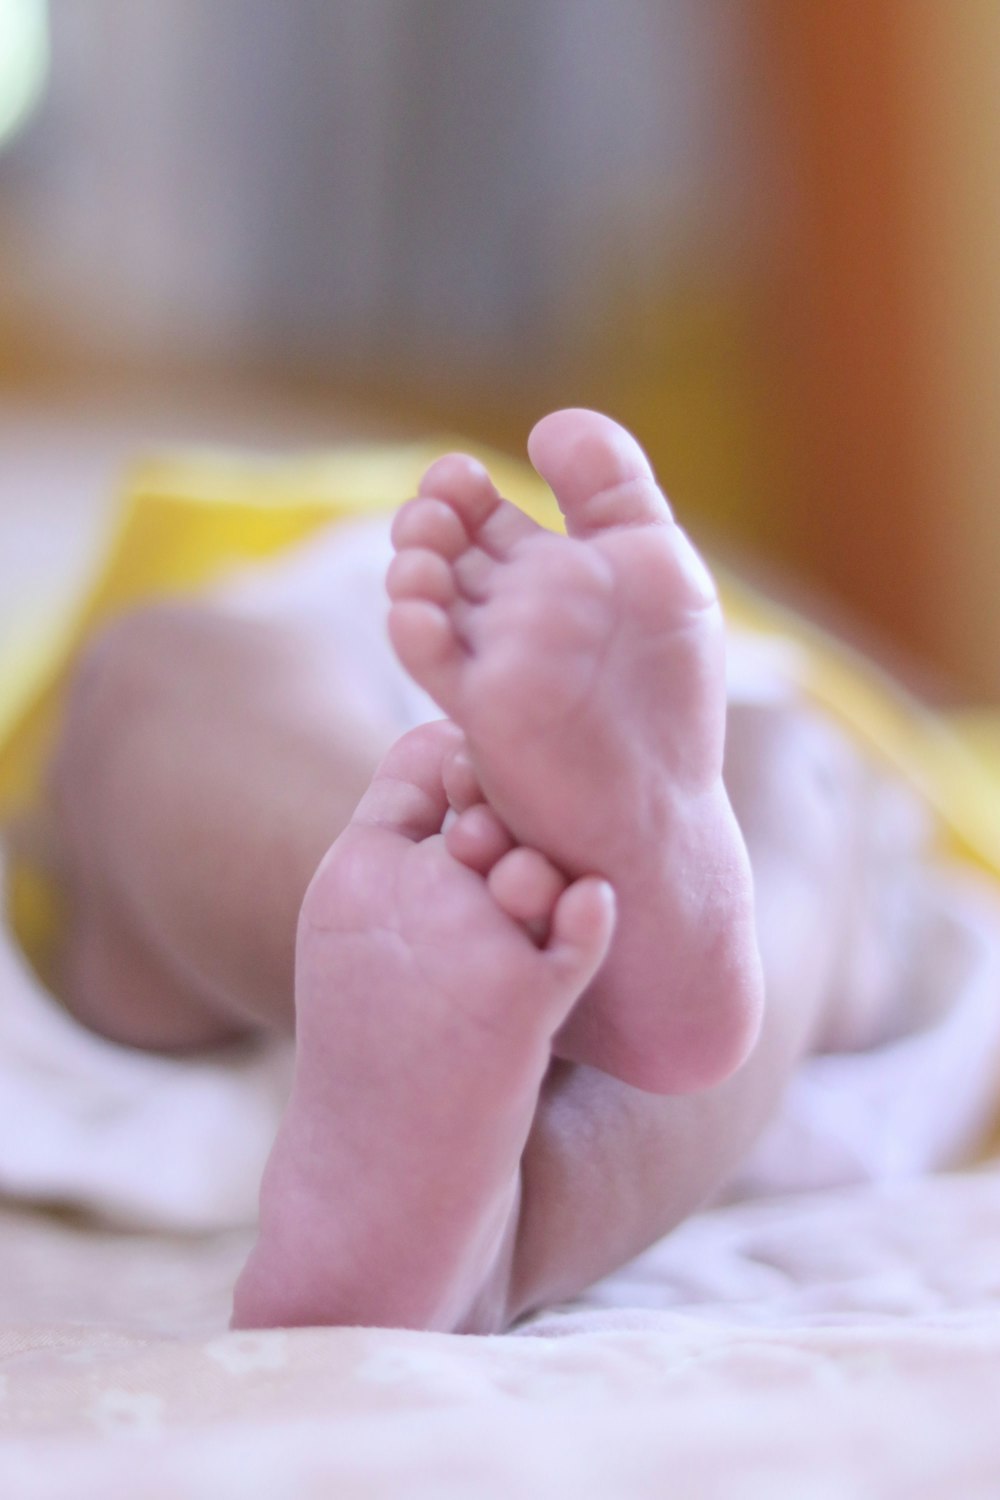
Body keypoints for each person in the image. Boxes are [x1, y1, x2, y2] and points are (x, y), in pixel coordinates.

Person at [37, 409, 899, 1333]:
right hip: (306, 857)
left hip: (683, 765)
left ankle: (616, 963)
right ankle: (559, 954)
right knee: (799, 777)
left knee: (154, 684)